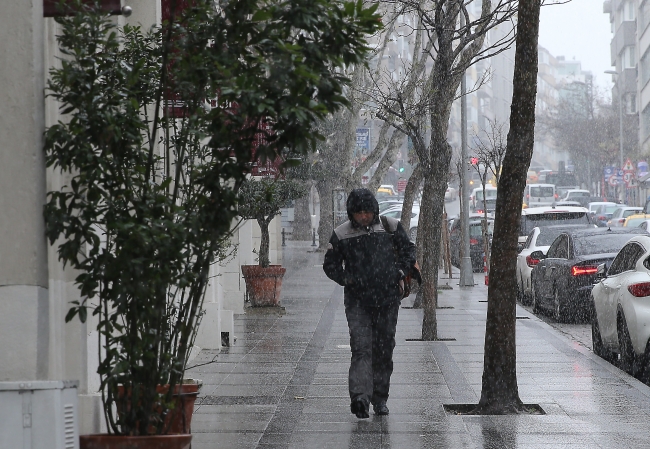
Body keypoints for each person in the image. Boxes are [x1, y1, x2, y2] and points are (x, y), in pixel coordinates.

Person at [323, 188, 416, 418]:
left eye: (367, 212)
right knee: (361, 348)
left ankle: (380, 398)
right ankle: (360, 398)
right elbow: (330, 265)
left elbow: (408, 251)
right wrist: (348, 279)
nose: (363, 216)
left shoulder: (391, 227)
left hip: (388, 300)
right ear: (351, 213)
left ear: (374, 210)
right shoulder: (341, 234)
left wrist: (399, 271)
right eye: (358, 213)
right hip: (357, 302)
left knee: (384, 349)